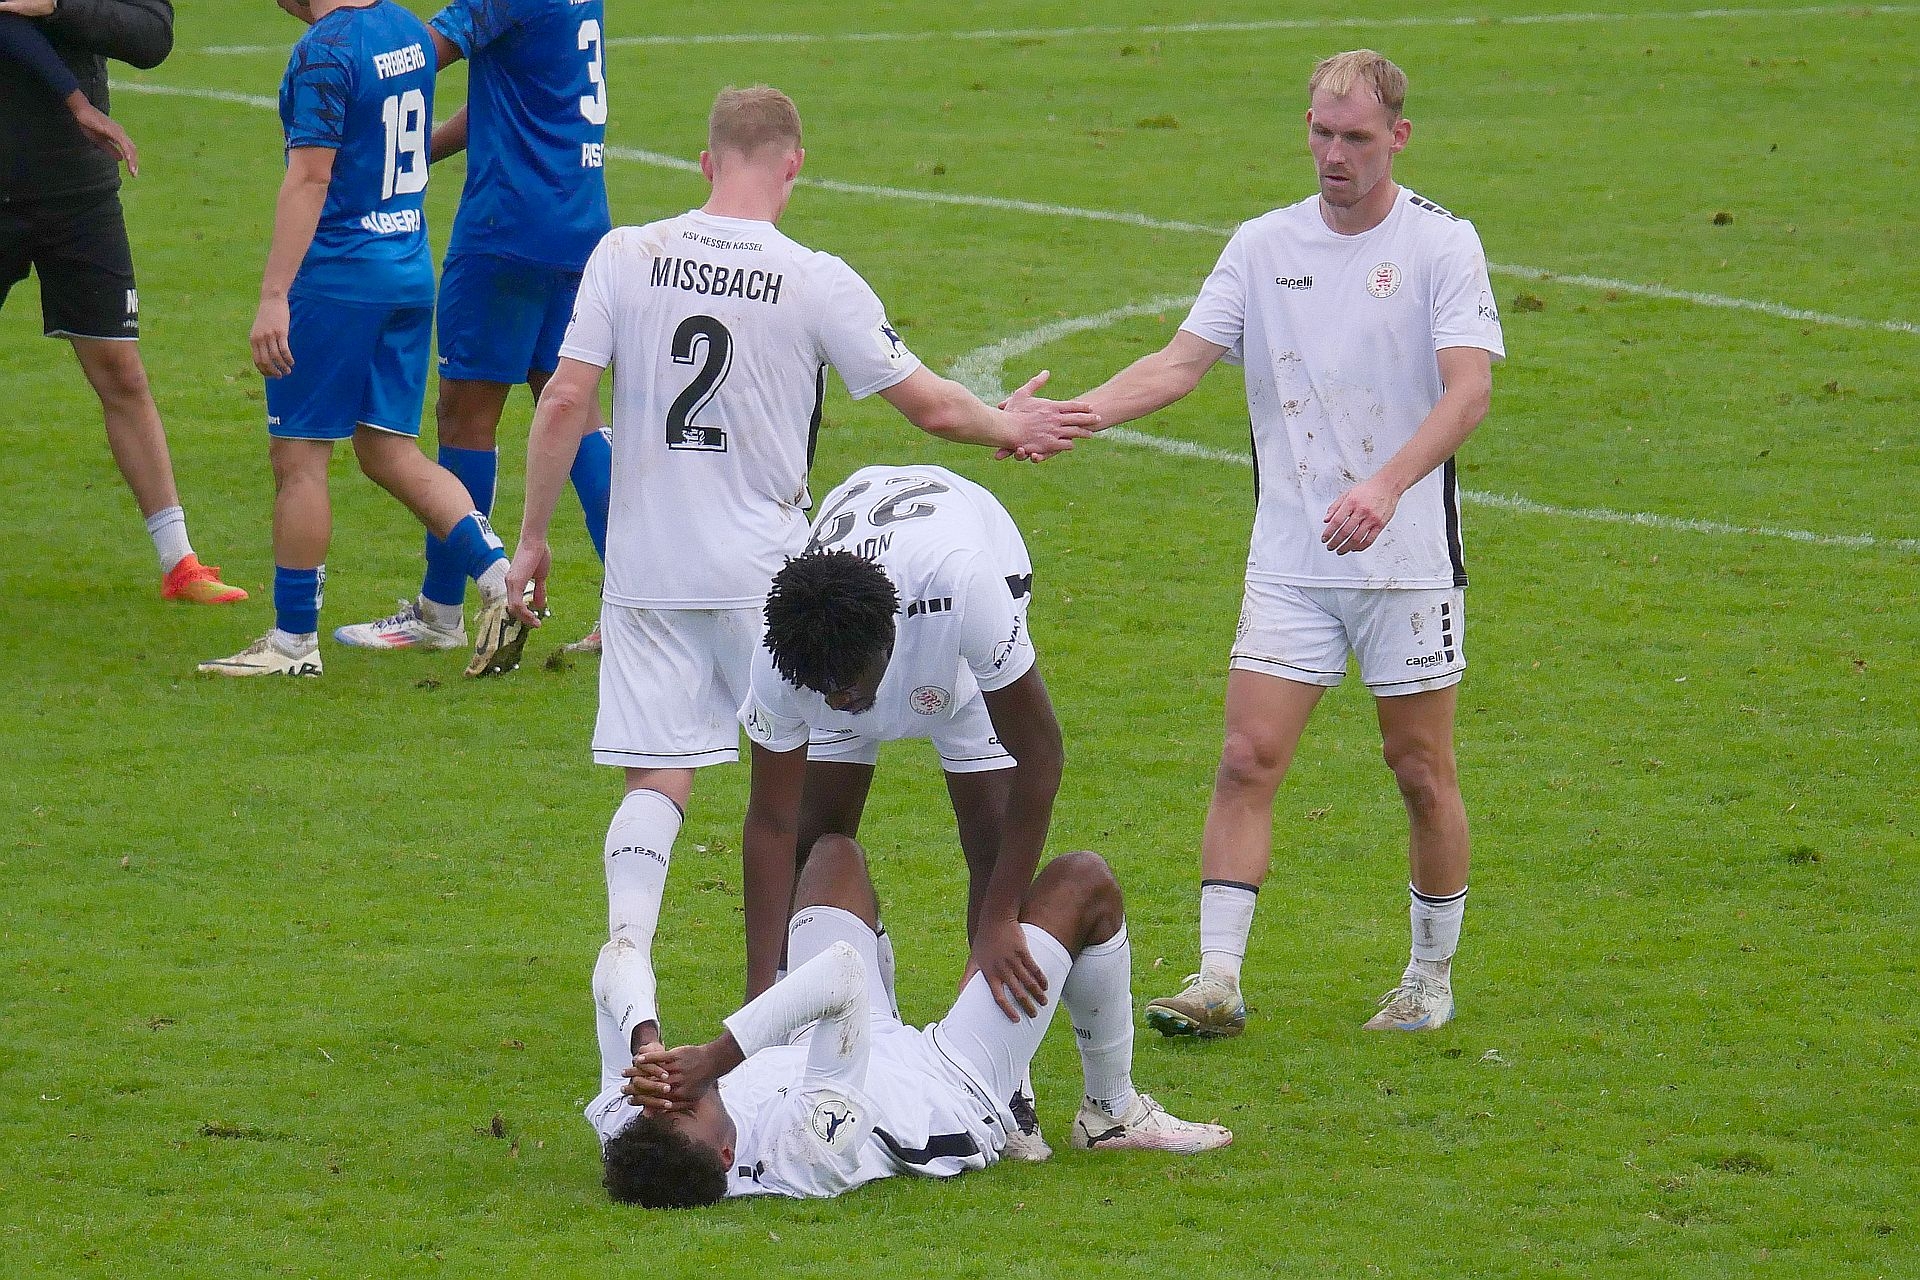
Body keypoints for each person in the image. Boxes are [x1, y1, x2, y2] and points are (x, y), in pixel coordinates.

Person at [500, 81, 1095, 1103]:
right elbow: (927, 404)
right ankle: (855, 1016)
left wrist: (533, 537)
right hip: (775, 585)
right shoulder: (813, 277)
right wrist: (1010, 425)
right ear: (793, 168)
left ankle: (636, 1001)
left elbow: (563, 399)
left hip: (647, 574)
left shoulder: (625, 254)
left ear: (703, 164)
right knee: (810, 809)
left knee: (659, 787)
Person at [1072, 50, 1504, 1036]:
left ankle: (1428, 978)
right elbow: (1179, 364)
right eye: (1321, 132)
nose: (1334, 154)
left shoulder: (1441, 244)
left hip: (1405, 564)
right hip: (1292, 561)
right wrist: (1073, 416)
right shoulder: (1263, 245)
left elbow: (1469, 389)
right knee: (1245, 757)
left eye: (1356, 137)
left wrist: (1386, 487)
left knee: (1419, 769)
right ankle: (1217, 979)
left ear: (1398, 137)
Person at [589, 836, 1231, 1206]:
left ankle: (884, 1007)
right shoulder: (810, 1153)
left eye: (658, 1104)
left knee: (833, 857)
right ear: (727, 1154)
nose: (673, 1093)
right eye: (686, 1106)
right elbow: (841, 973)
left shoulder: (632, 1130)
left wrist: (645, 1040)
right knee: (1083, 882)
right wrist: (715, 1058)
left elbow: (615, 964)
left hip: (834, 1040)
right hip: (953, 1082)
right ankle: (1112, 1112)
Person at [738, 465, 1065, 1155]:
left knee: (990, 841)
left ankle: (1007, 1078)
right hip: (858, 598)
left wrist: (1001, 920)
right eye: (822, 692)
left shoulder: (968, 588)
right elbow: (770, 824)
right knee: (818, 842)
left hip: (961, 608)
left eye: (847, 689)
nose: (837, 703)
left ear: (888, 641)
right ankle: (844, 1008)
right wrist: (759, 1002)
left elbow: (1041, 756)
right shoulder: (786, 656)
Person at [199, 0, 525, 678]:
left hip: (338, 279)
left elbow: (310, 177)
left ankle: (293, 642)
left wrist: (274, 296)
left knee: (299, 459)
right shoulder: (407, 28)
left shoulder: (325, 51)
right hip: (406, 269)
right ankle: (498, 576)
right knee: (388, 451)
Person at [331, 0, 614, 657]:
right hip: (576, 221)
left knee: (465, 417)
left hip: (505, 228)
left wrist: (331, 53)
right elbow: (519, 91)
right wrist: (421, 150)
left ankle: (440, 612)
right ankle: (637, 607)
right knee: (574, 411)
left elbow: (408, 60)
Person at [0, 0, 244, 604]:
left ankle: (180, 563)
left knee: (121, 370)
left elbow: (151, 35)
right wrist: (76, 100)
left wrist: (58, 5)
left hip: (77, 188)